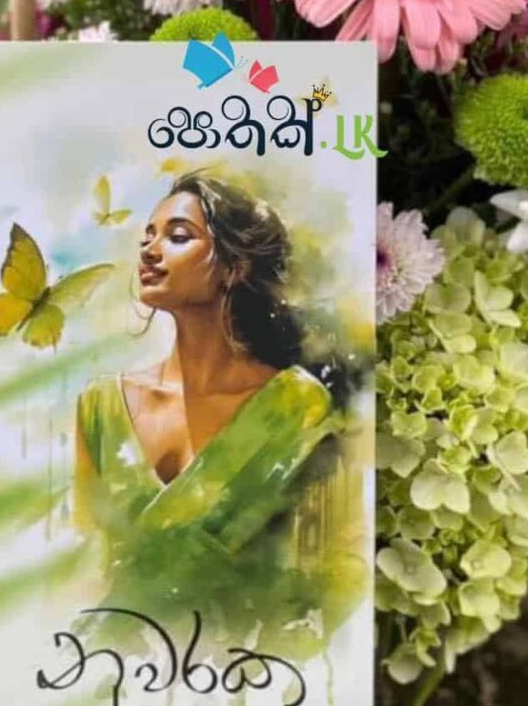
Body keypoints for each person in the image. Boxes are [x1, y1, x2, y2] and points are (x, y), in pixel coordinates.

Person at [74, 172, 337, 561]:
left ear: (235, 268)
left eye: (178, 237)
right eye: (148, 237)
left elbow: (318, 566)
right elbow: (81, 559)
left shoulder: (296, 406)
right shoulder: (101, 406)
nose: (149, 251)